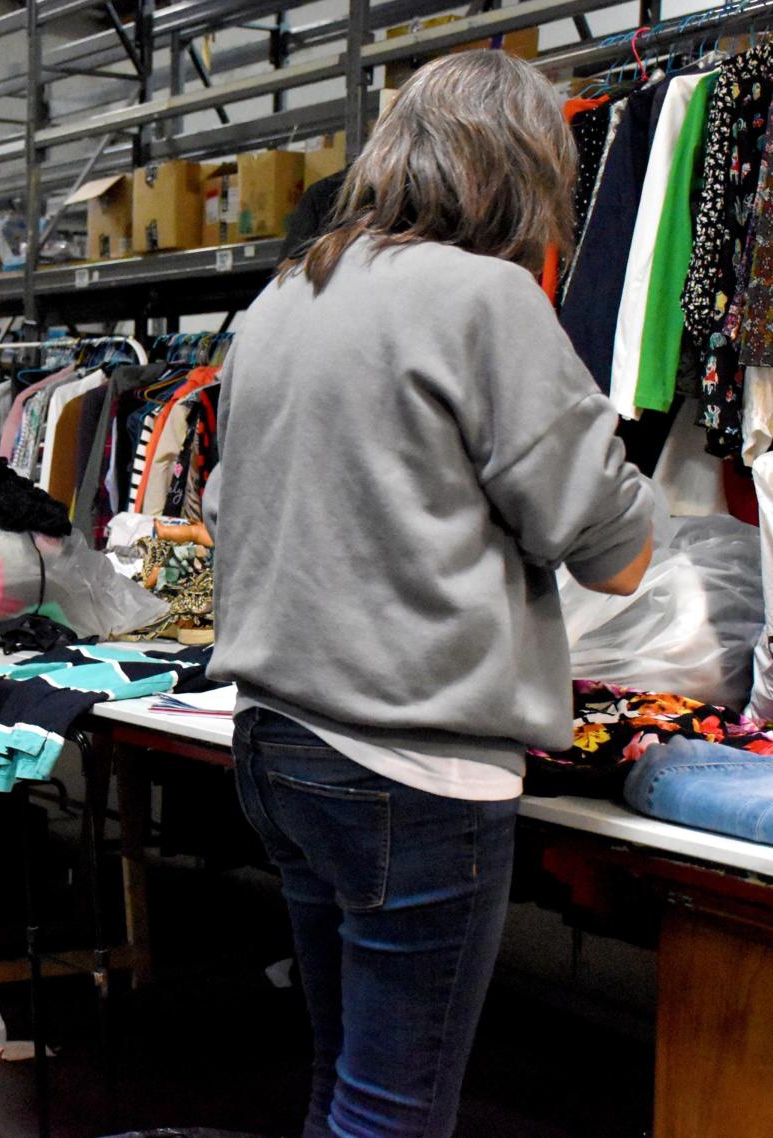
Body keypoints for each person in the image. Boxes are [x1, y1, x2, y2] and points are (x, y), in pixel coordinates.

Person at [210, 52, 653, 1138]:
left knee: (342, 1077)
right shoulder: (486, 298)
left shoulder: (285, 294)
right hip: (411, 765)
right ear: (521, 173)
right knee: (395, 1108)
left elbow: (229, 501)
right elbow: (612, 552)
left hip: (276, 739)